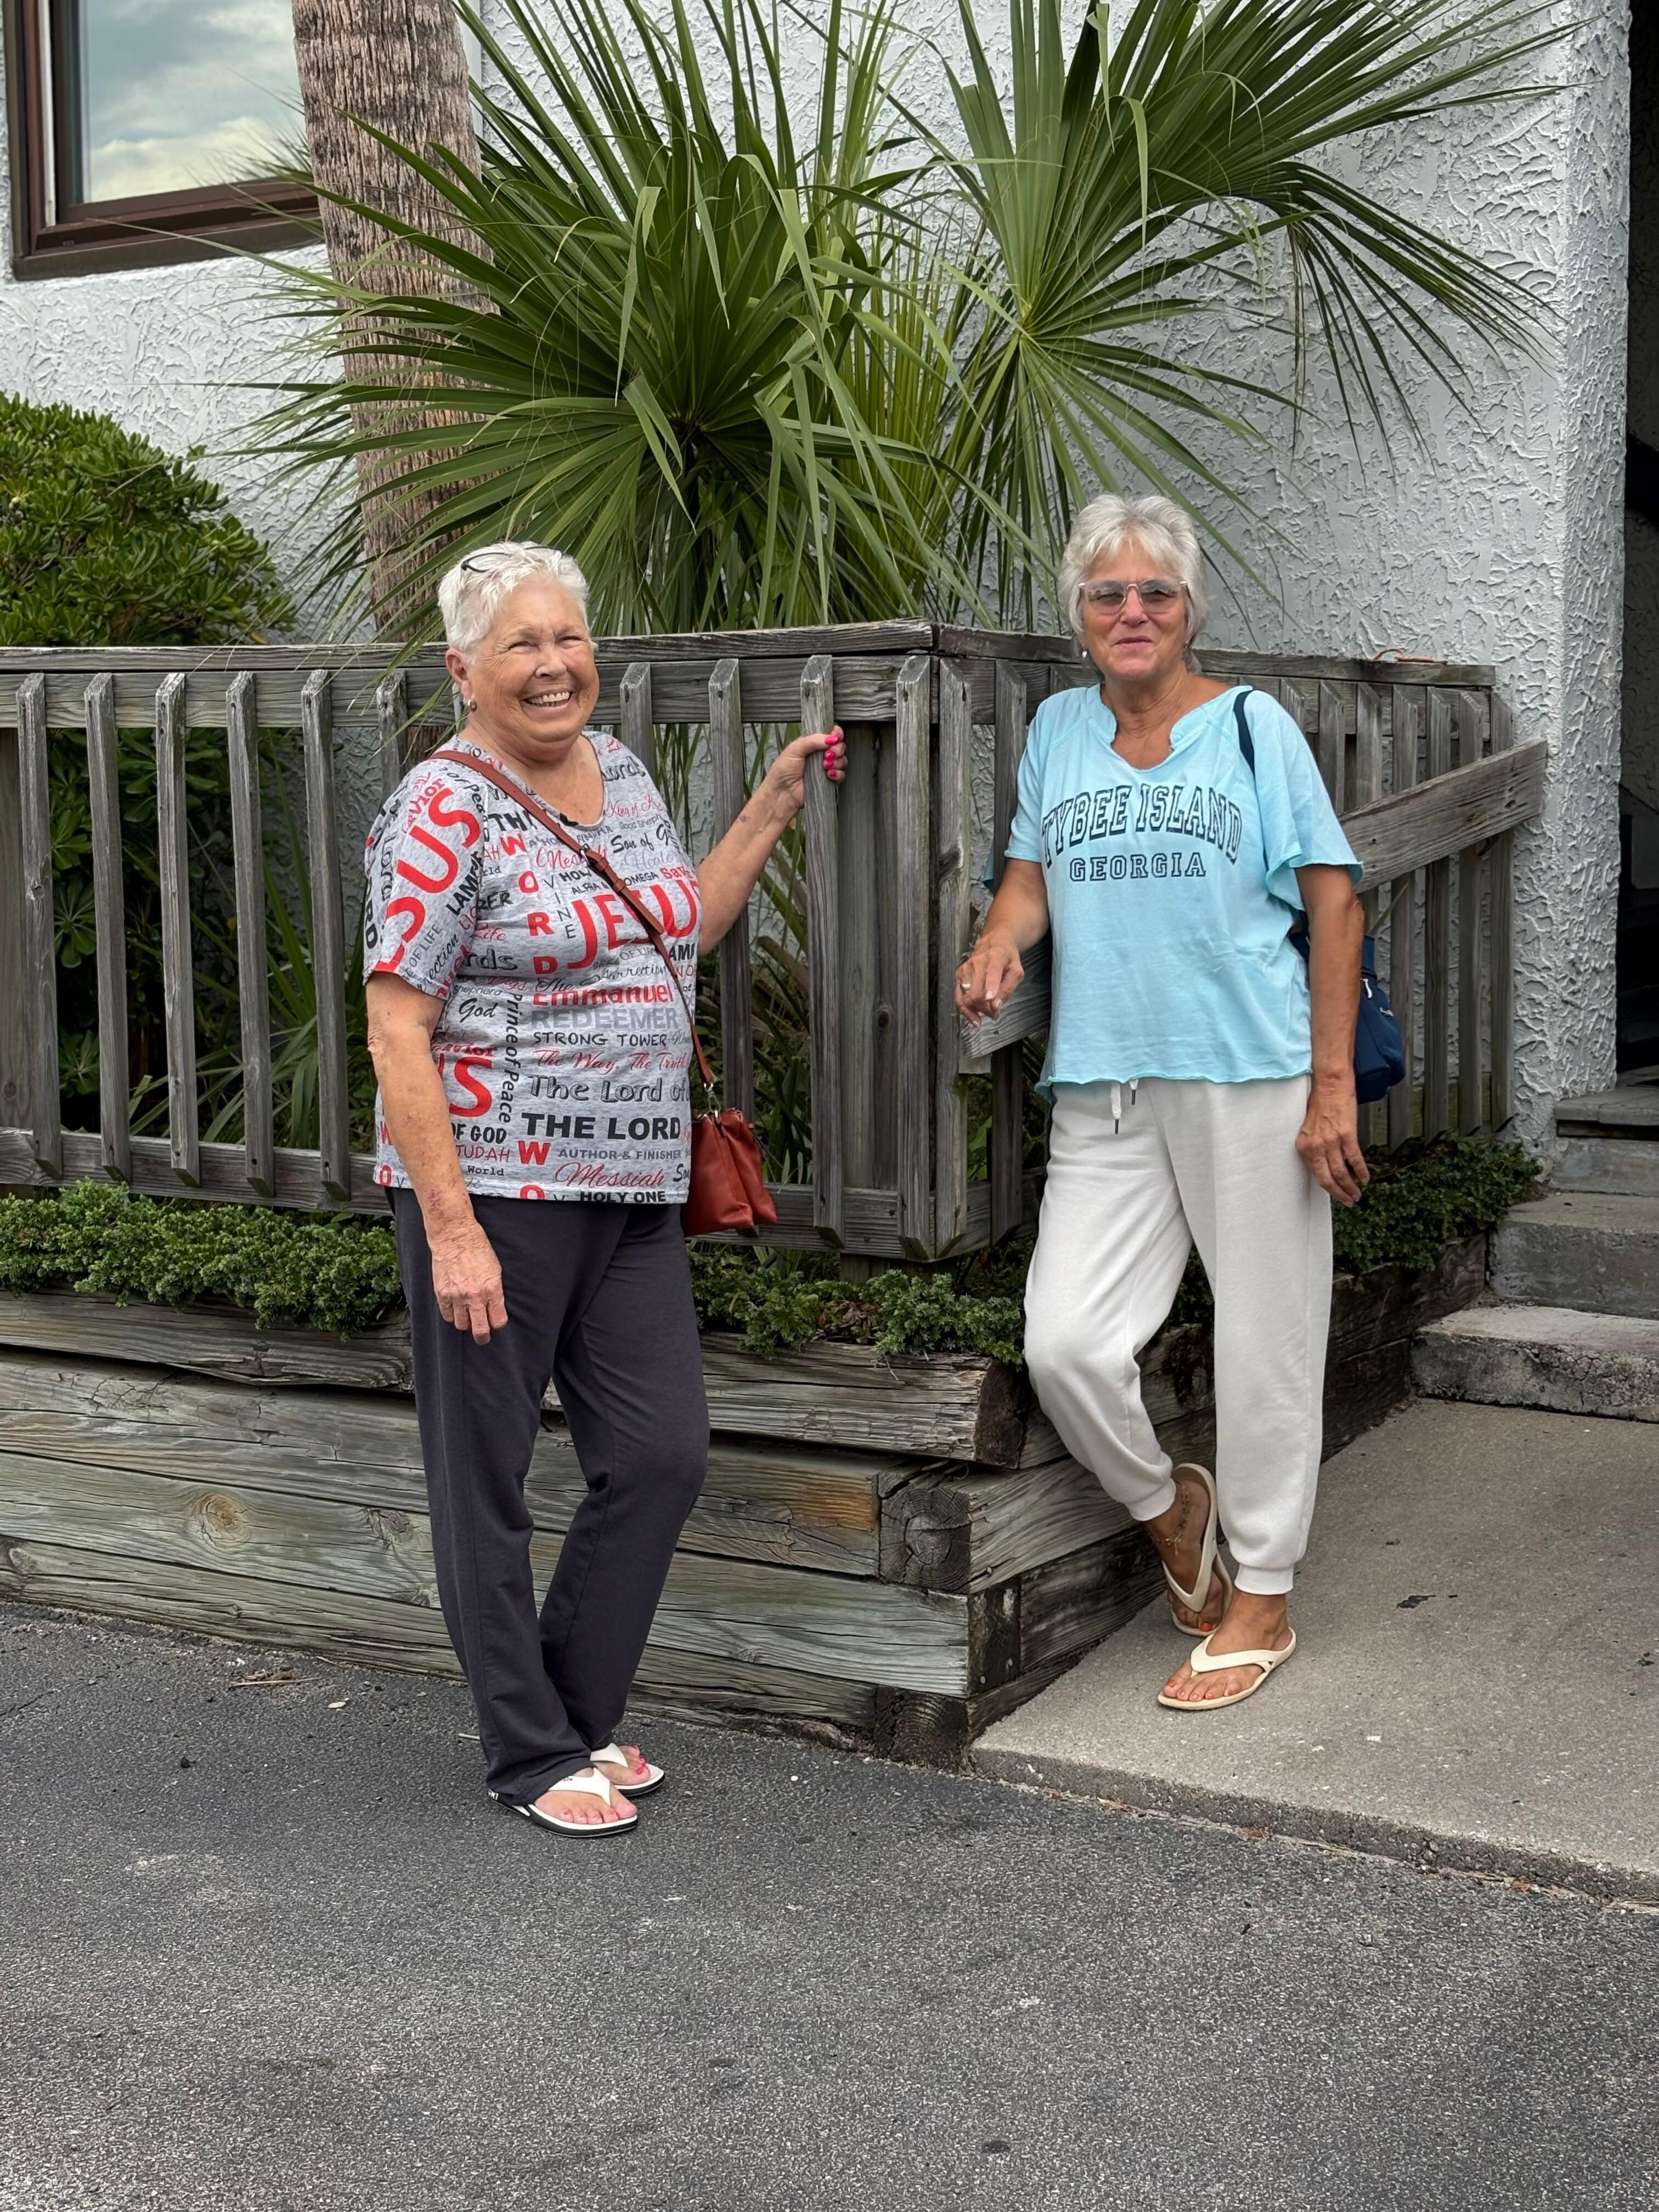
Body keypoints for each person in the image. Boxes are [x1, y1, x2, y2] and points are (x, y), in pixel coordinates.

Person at [364, 541, 845, 1832]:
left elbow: (673, 922)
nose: (552, 664)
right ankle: (530, 1754)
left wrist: (766, 812)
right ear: (464, 670)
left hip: (633, 1190)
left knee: (662, 1455)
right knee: (487, 1474)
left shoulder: (621, 773)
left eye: (567, 638)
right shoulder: (440, 807)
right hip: (499, 1191)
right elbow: (396, 1029)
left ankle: (573, 1717)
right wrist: (451, 1230)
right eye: (520, 645)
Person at [955, 493, 1365, 1711]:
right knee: (1068, 1342)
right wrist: (997, 938)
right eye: (1107, 594)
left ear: (1189, 611)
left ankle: (1267, 1594)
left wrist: (1330, 1085)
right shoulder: (1058, 729)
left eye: (1156, 594)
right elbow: (1031, 873)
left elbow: (1335, 900)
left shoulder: (1251, 728)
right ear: (1079, 613)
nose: (1131, 614)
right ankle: (1167, 1508)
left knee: (1266, 1339)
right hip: (1107, 1079)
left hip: (1252, 1070)